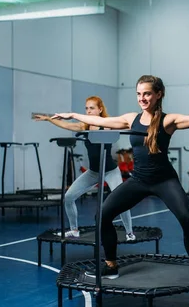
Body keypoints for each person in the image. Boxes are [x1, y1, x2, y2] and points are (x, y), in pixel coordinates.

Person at [52, 75, 189, 284]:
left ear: (158, 94)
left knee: (187, 220)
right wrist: (72, 115)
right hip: (139, 180)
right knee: (103, 215)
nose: (142, 98)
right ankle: (111, 265)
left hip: (164, 180)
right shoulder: (130, 118)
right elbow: (100, 120)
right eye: (139, 94)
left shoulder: (168, 120)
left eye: (147, 93)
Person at [34, 96, 135, 241]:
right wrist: (49, 119)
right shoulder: (84, 126)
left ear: (100, 109)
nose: (88, 111)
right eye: (86, 108)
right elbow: (66, 125)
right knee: (68, 197)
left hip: (110, 171)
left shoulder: (107, 125)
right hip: (93, 172)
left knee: (122, 201)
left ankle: (129, 233)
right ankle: (74, 230)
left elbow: (126, 124)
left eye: (92, 108)